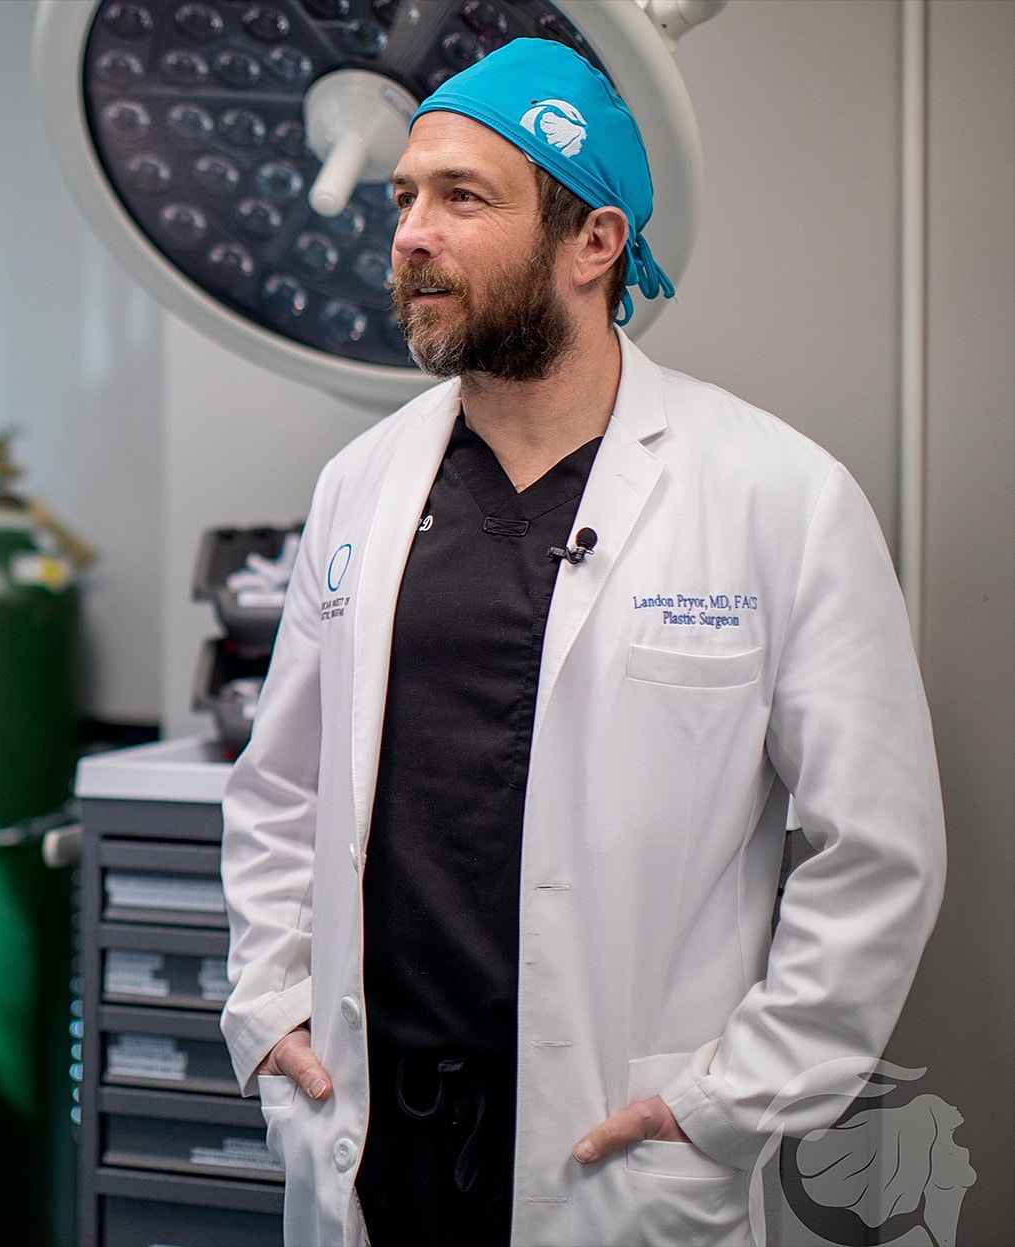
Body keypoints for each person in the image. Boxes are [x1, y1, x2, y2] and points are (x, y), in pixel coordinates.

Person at [219, 37, 945, 1247]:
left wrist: (727, 1098)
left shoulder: (776, 495)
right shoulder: (360, 485)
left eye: (461, 197)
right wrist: (269, 1010)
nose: (409, 233)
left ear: (593, 243)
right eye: (404, 196)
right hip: (369, 1132)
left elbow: (877, 852)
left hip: (614, 1149)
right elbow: (279, 792)